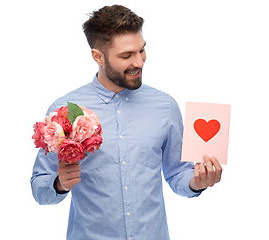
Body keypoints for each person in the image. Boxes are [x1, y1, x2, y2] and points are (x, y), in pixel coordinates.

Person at [31, 5, 222, 240]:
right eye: (126, 56)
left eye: (141, 51)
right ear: (98, 57)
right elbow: (40, 188)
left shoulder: (165, 106)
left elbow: (176, 173)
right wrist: (59, 184)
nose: (139, 62)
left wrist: (195, 181)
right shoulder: (65, 111)